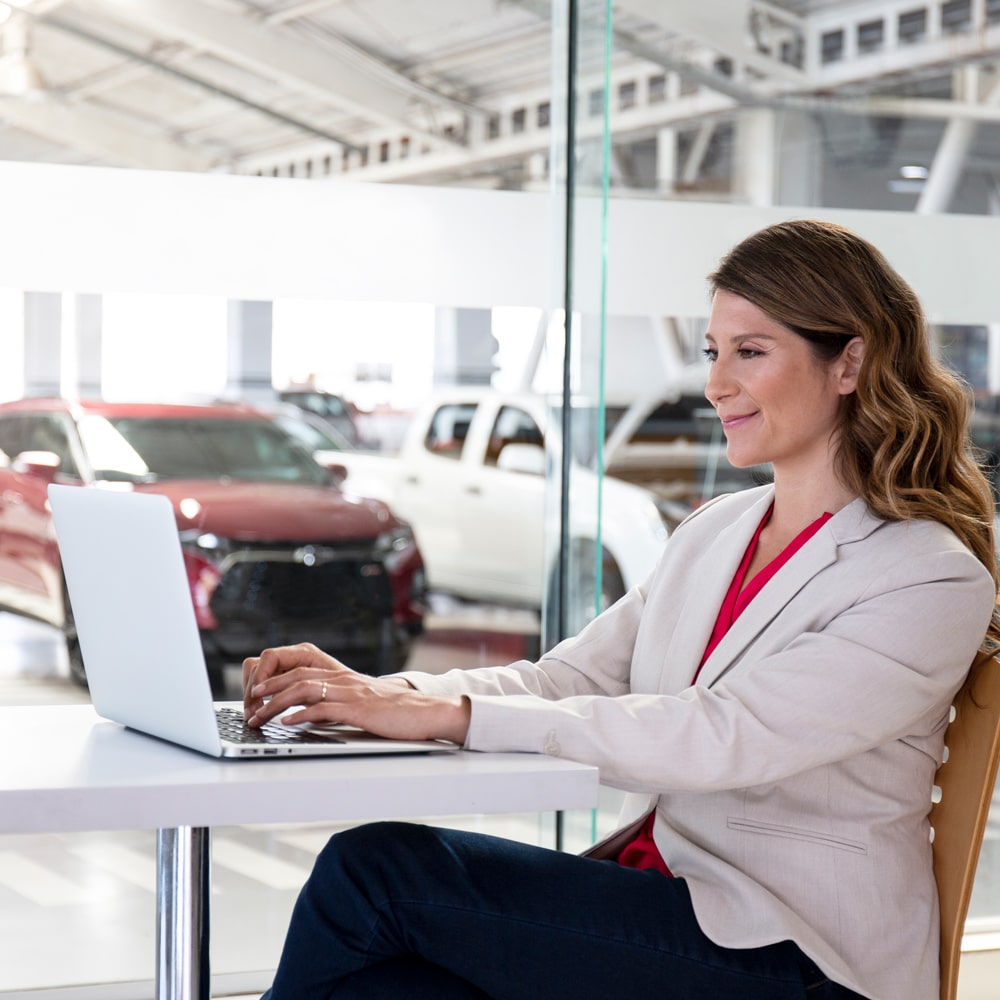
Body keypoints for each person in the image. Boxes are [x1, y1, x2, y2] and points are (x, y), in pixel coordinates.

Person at [242, 219, 1000, 1000]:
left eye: (751, 350)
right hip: (673, 903)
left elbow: (722, 735)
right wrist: (385, 697)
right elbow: (569, 677)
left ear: (850, 361)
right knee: (388, 987)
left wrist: (453, 717)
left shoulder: (926, 576)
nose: (716, 383)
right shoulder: (716, 532)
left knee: (375, 874)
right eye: (714, 352)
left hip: (800, 953)